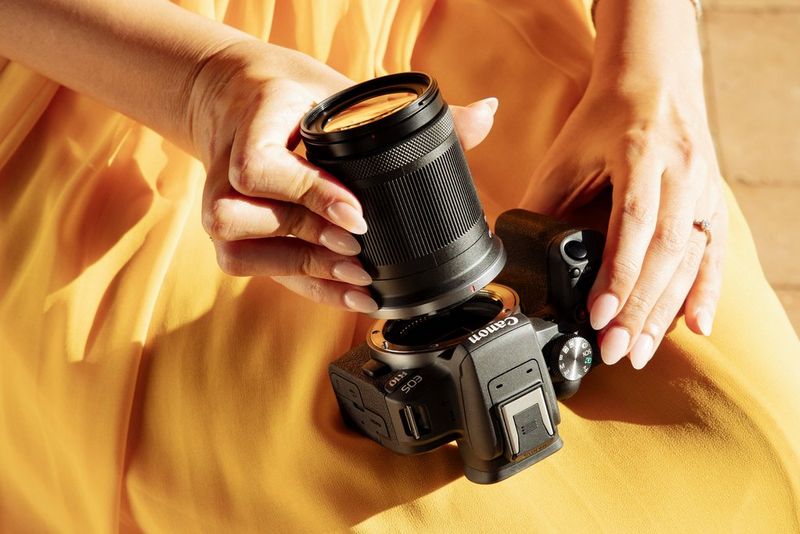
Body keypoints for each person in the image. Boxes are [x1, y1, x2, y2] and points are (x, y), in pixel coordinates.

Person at [0, 0, 797, 531]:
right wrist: (208, 86)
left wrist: (655, 74)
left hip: (466, 27)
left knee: (742, 436)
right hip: (117, 55)